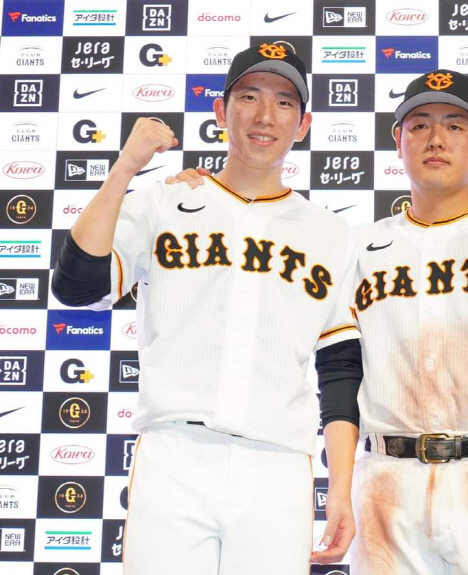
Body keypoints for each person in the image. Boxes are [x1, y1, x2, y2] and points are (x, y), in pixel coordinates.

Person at [168, 68, 468, 574]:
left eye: (455, 125)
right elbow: (339, 366)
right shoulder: (356, 245)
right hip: (388, 484)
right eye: (419, 125)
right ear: (398, 141)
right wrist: (208, 198)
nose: (436, 138)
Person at [51, 43, 361, 574]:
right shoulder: (163, 202)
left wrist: (340, 488)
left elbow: (339, 368)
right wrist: (125, 168)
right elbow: (77, 287)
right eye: (249, 97)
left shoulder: (331, 234)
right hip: (175, 453)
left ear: (304, 124)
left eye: (285, 102)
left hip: (278, 463)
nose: (265, 116)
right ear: (221, 111)